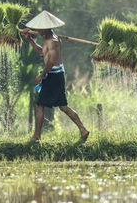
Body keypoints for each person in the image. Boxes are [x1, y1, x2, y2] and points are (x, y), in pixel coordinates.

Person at [21, 10, 90, 143]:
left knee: (40, 105)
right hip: (54, 75)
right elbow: (42, 52)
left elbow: (51, 61)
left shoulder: (53, 41)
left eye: (40, 28)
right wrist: (30, 40)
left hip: (54, 75)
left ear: (47, 28)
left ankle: (36, 137)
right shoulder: (48, 39)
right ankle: (83, 130)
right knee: (62, 106)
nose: (38, 30)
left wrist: (42, 74)